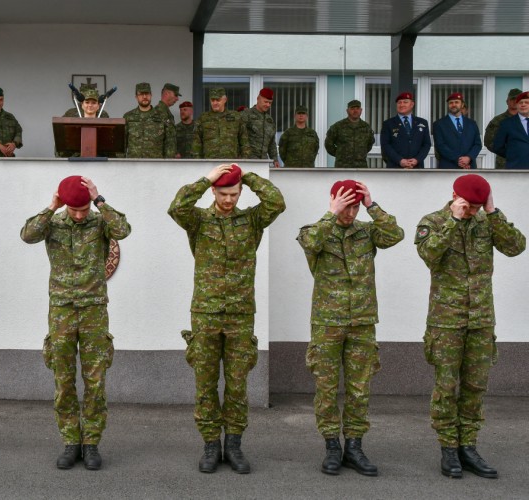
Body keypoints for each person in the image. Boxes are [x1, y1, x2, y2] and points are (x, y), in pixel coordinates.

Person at [168, 164, 285, 474]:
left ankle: (233, 444)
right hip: (205, 313)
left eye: (234, 194)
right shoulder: (198, 220)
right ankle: (210, 444)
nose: (229, 199)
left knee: (236, 385)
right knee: (205, 384)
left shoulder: (252, 220)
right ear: (213, 192)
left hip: (240, 314)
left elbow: (276, 202)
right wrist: (206, 178)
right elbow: (176, 206)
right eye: (223, 193)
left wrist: (245, 175)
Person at [415, 174, 524, 479]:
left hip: (480, 320)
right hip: (446, 321)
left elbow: (516, 247)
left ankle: (469, 447)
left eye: (477, 207)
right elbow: (429, 255)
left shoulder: (486, 221)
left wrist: (492, 212)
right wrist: (453, 220)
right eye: (470, 207)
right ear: (455, 196)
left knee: (475, 387)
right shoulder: (433, 221)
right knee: (447, 387)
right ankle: (448, 449)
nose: (472, 212)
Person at [20, 175, 131, 471]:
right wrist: (52, 206)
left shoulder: (100, 221)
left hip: (94, 309)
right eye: (74, 210)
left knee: (95, 381)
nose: (80, 215)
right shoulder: (53, 223)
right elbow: (27, 235)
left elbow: (124, 228)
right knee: (63, 379)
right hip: (61, 311)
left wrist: (99, 199)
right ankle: (71, 441)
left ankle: (91, 442)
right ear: (65, 205)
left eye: (84, 210)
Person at [297, 180, 404, 477]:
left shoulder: (367, 232)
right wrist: (332, 213)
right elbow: (309, 244)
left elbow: (395, 235)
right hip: (327, 323)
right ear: (333, 201)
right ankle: (332, 446)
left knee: (359, 389)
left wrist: (372, 205)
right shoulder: (316, 230)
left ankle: (355, 447)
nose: (351, 212)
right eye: (347, 206)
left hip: (362, 322)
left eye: (355, 206)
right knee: (327, 388)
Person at [192, 88, 249, 159]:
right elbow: (196, 142)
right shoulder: (203, 118)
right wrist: (197, 162)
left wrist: (245, 161)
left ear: (225, 100)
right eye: (212, 100)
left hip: (230, 162)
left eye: (218, 100)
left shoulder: (236, 117)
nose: (215, 103)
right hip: (209, 163)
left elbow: (244, 141)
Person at [123, 82, 176, 158]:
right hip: (134, 165)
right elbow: (122, 143)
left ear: (151, 95)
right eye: (141, 94)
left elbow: (170, 143)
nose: (144, 97)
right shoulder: (128, 117)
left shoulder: (162, 116)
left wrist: (167, 165)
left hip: (156, 165)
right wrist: (121, 164)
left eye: (147, 94)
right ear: (136, 97)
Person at [380, 92, 432, 169]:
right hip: (395, 167)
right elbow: (385, 145)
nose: (402, 105)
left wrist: (417, 159)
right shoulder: (388, 123)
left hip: (417, 167)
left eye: (405, 102)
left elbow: (426, 144)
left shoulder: (422, 122)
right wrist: (400, 160)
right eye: (399, 102)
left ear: (412, 104)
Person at [432, 92, 482, 169]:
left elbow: (477, 144)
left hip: (469, 166)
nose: (453, 105)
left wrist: (468, 158)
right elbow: (440, 145)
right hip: (448, 166)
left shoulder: (472, 123)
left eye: (456, 102)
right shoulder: (439, 124)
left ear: (462, 105)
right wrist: (459, 160)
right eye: (451, 103)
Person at [59, 89, 112, 158]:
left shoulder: (104, 118)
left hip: (99, 160)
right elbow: (62, 138)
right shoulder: (72, 118)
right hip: (75, 159)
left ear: (98, 105)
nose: (90, 105)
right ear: (82, 105)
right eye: (87, 102)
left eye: (93, 103)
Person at [324, 100, 375, 168]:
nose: (355, 111)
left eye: (357, 108)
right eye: (352, 109)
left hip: (361, 166)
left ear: (361, 110)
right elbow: (328, 144)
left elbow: (369, 144)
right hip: (342, 166)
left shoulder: (366, 127)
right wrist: (340, 154)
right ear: (347, 111)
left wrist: (360, 154)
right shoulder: (338, 126)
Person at [484, 88, 522, 169]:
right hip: (504, 162)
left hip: (524, 161)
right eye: (512, 99)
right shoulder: (498, 120)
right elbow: (489, 142)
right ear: (507, 101)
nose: (515, 101)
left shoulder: (526, 120)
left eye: (518, 99)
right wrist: (507, 152)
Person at [492, 90, 529, 169]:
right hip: (516, 167)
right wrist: (512, 154)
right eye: (520, 103)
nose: (523, 105)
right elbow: (497, 147)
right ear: (517, 105)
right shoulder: (506, 123)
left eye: (526, 102)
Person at [242, 88, 279, 166]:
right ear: (258, 99)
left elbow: (271, 142)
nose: (268, 105)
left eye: (270, 103)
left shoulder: (269, 120)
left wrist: (275, 159)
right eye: (265, 102)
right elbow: (238, 136)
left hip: (263, 162)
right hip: (247, 161)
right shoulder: (246, 114)